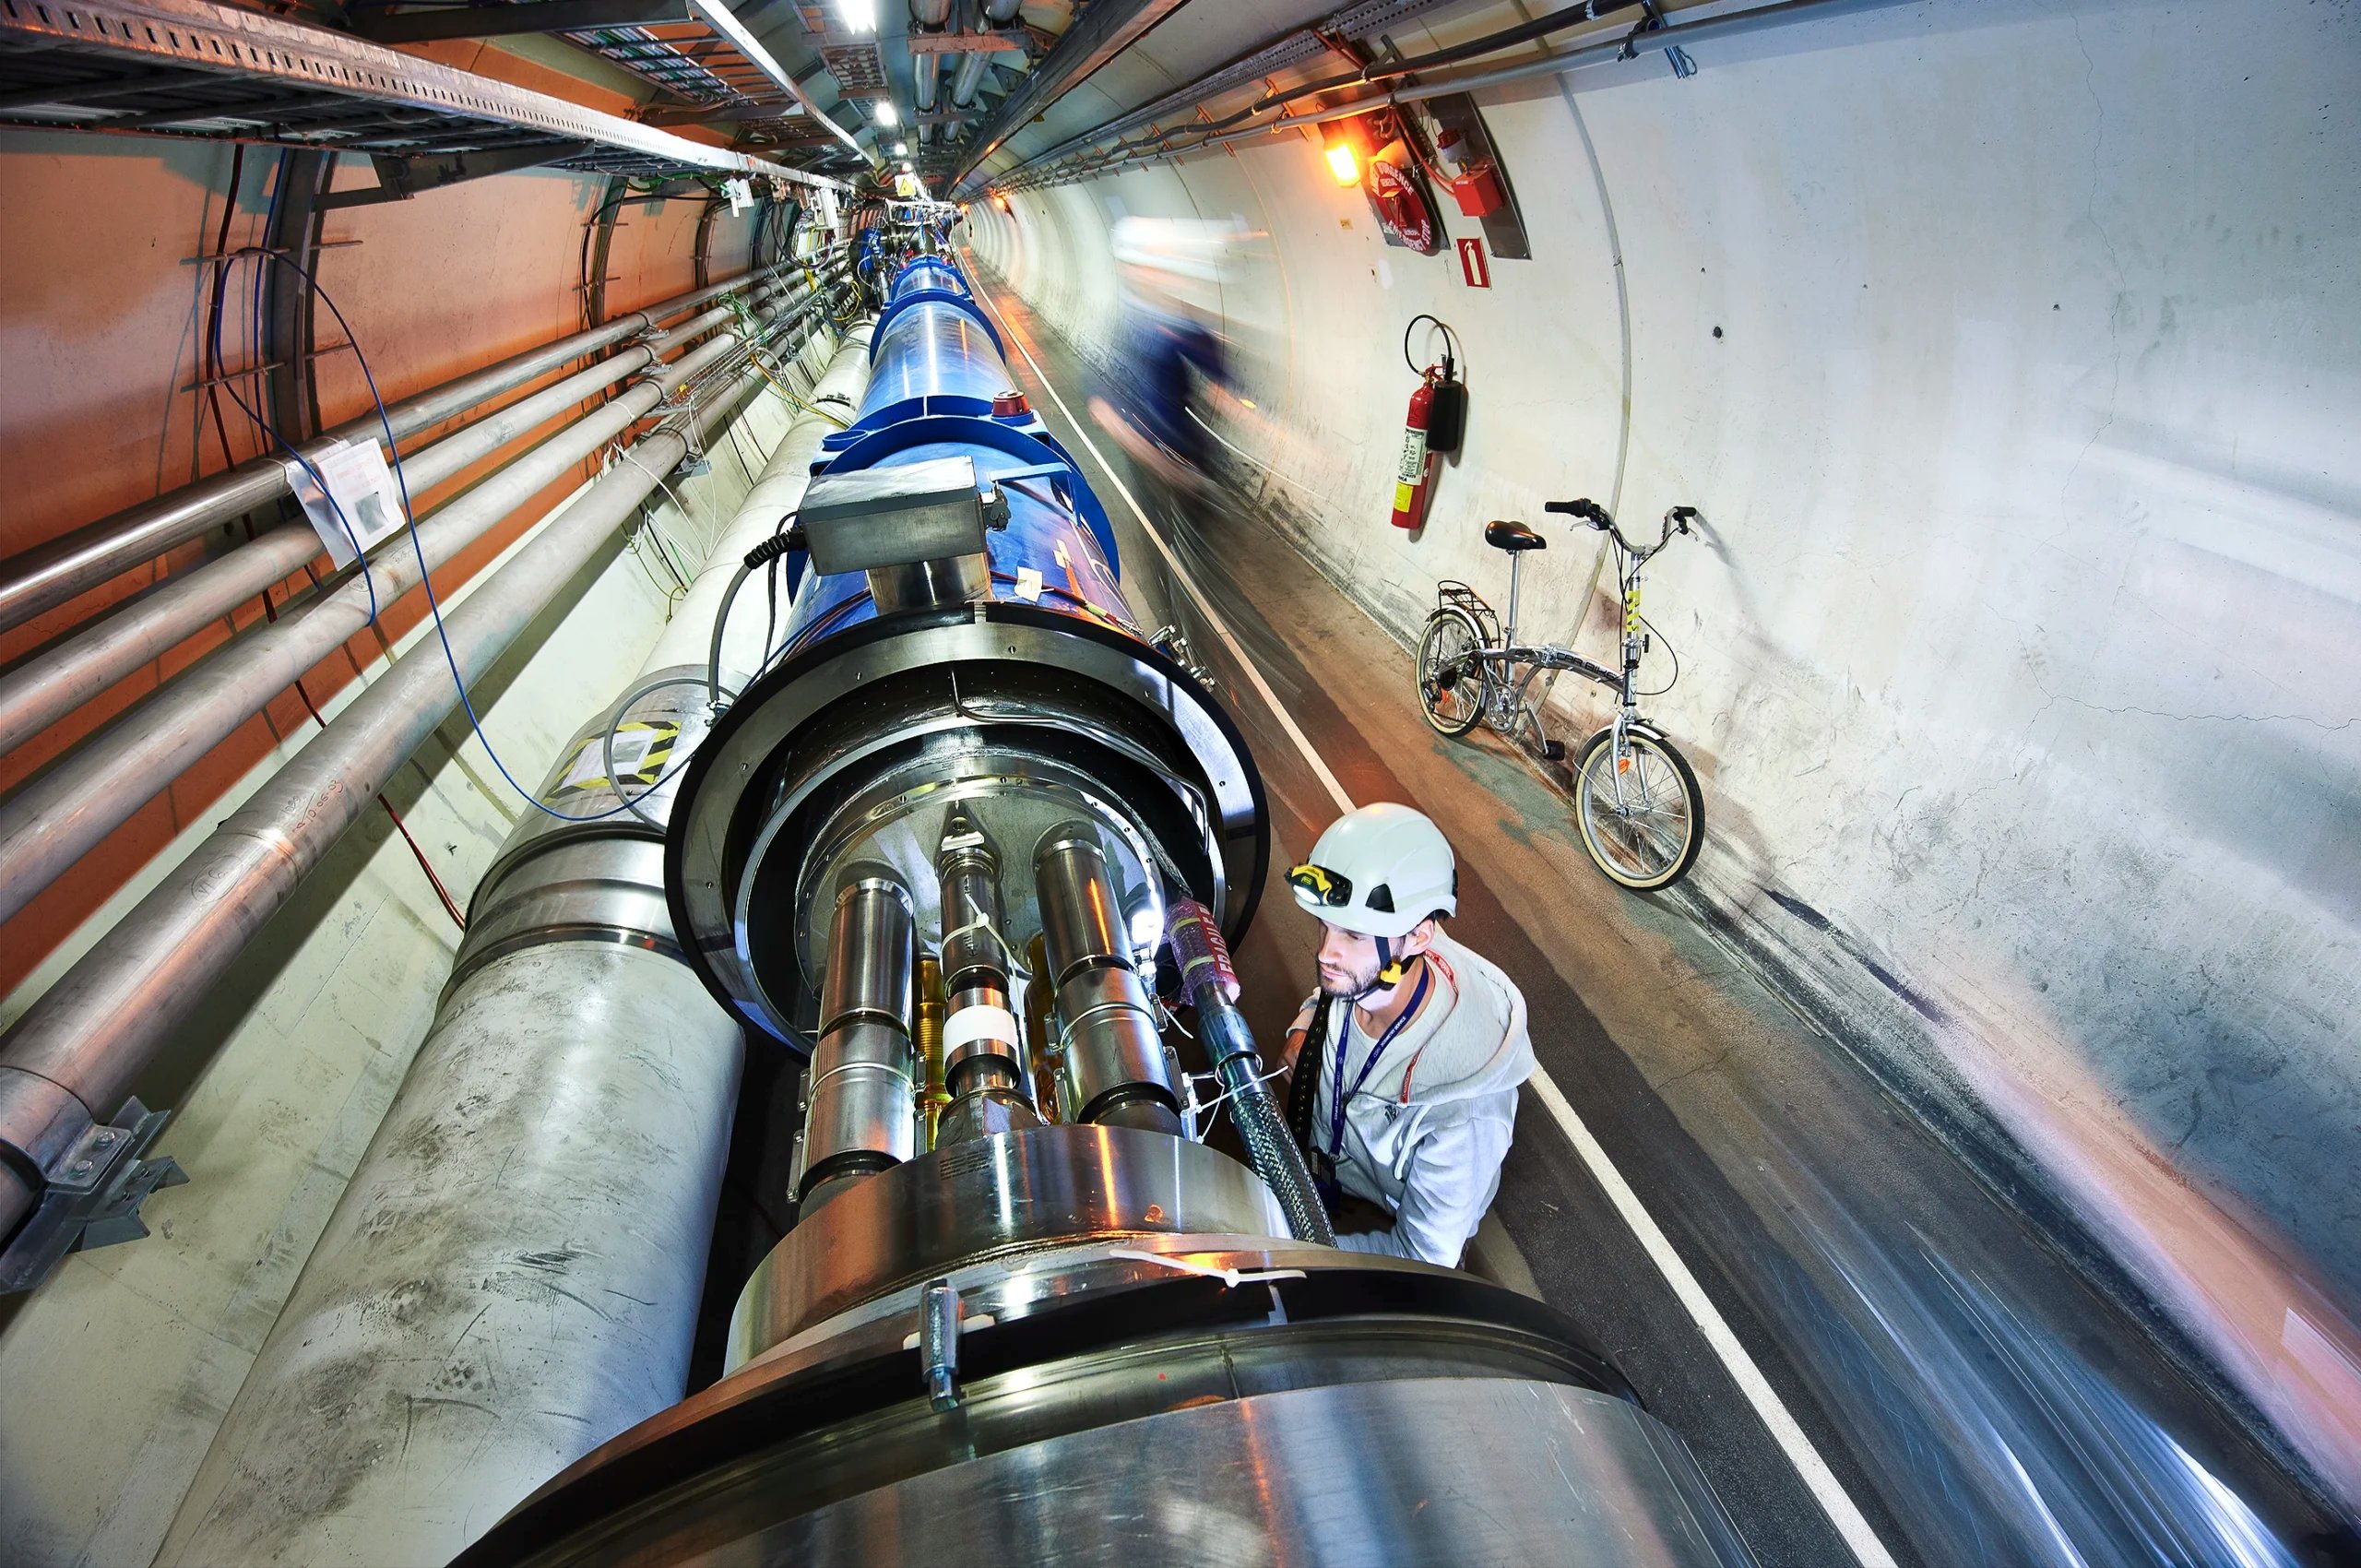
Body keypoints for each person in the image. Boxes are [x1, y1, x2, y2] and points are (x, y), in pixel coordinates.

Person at [1281, 802, 1534, 1268]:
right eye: (1324, 925)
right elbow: (1330, 993)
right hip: (1333, 1169)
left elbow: (1420, 1261)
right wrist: (1305, 1027)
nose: (1325, 953)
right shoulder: (1374, 965)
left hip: (1383, 1215)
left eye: (1353, 935)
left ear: (1418, 939)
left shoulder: (1463, 1115)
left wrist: (1284, 1254)